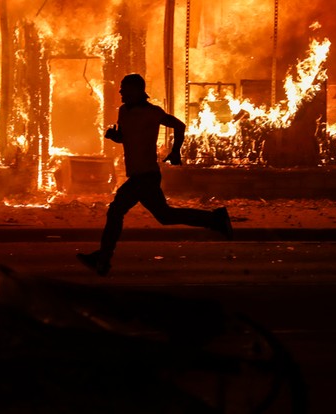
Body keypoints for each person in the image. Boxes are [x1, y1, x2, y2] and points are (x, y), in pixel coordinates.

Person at [77, 73, 232, 276]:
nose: (121, 91)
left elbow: (179, 125)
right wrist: (116, 137)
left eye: (125, 88)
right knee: (165, 216)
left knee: (116, 210)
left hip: (146, 176)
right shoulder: (123, 112)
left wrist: (176, 150)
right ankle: (215, 219)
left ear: (137, 90)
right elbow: (126, 137)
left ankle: (103, 258)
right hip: (138, 175)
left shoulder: (152, 112)